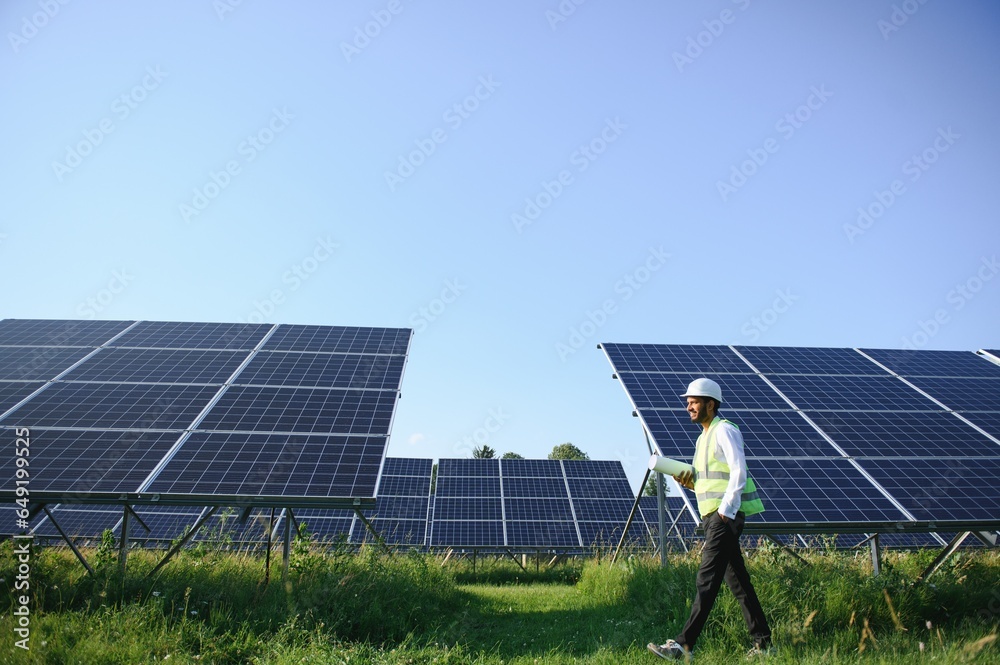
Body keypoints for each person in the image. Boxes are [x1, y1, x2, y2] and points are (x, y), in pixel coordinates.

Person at [647, 378, 772, 660]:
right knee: (739, 582)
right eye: (687, 402)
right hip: (713, 517)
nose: (688, 406)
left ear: (710, 404)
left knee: (706, 578)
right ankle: (764, 644)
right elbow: (711, 479)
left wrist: (726, 510)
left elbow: (739, 470)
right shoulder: (702, 438)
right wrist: (692, 482)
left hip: (723, 516)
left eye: (694, 402)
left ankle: (683, 646)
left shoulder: (725, 430)